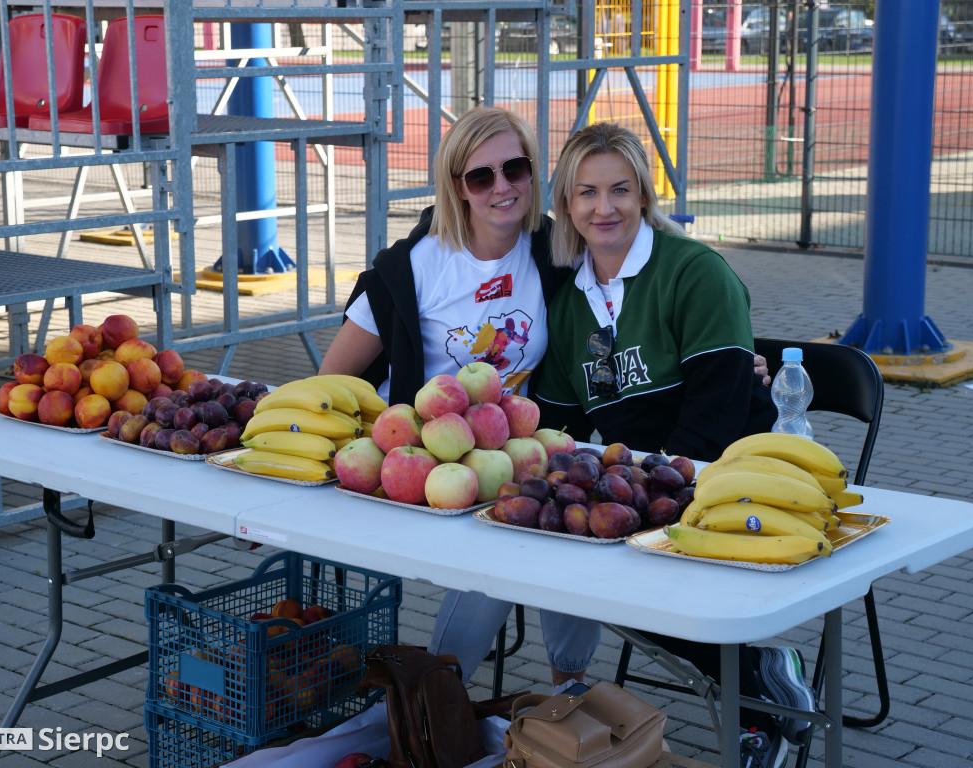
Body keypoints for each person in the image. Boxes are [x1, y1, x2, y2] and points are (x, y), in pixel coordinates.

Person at [534, 121, 813, 768]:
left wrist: (650, 495)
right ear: (567, 207)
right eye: (587, 193)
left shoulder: (695, 272)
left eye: (621, 190)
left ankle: (752, 697)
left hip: (729, 468)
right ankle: (758, 669)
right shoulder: (572, 303)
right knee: (572, 555)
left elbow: (716, 414)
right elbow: (561, 422)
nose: (604, 208)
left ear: (645, 196)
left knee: (632, 563)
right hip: (649, 479)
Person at [318, 106, 602, 689]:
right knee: (513, 540)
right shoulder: (414, 268)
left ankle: (558, 700)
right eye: (481, 176)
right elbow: (329, 383)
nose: (502, 188)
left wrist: (732, 349)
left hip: (511, 447)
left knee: (565, 523)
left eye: (515, 169)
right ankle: (441, 699)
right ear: (457, 187)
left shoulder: (555, 249)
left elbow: (641, 262)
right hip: (423, 457)